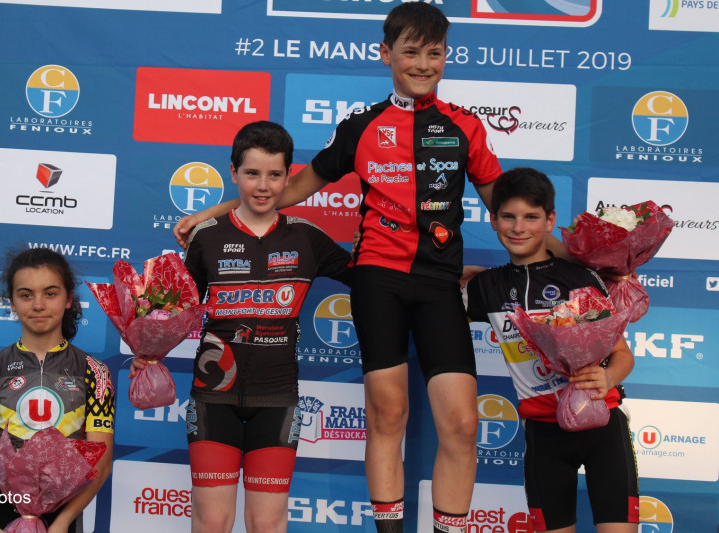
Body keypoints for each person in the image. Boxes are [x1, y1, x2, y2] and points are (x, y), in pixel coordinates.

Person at [172, 4, 520, 531]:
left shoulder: (465, 126)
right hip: (377, 277)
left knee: (463, 423)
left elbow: (509, 213)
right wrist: (213, 213)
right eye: (410, 52)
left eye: (434, 53)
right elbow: (288, 188)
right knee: (388, 413)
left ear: (446, 56)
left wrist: (579, 257)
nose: (423, 64)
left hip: (439, 282)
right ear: (386, 54)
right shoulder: (362, 126)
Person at [134, 120, 351, 533]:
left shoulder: (307, 238)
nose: (263, 186)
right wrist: (148, 350)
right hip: (213, 398)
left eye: (274, 175)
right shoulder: (206, 237)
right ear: (233, 173)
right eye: (252, 173)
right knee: (213, 521)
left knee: (266, 524)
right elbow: (174, 312)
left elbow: (373, 280)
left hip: (278, 398)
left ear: (289, 176)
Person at [463, 168, 639, 533]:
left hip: (603, 426)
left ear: (549, 220)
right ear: (493, 220)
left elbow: (623, 355)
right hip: (544, 436)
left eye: (531, 217)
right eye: (508, 217)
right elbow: (424, 301)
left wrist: (607, 377)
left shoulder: (580, 278)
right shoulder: (486, 287)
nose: (518, 228)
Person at [0, 248, 115, 533]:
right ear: (11, 302)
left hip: (62, 516)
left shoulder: (95, 372)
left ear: (68, 298)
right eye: (25, 295)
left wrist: (62, 523)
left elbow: (101, 463)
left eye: (50, 293)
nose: (38, 305)